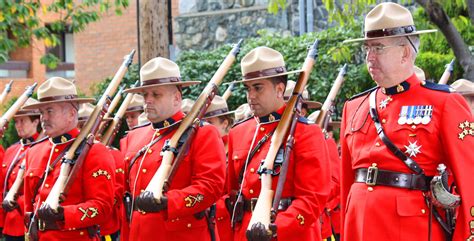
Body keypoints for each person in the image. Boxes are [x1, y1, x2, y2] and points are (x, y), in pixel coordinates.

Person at [340, 3, 474, 241]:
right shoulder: (354, 107)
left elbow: (469, 181)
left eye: (378, 48)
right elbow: (347, 184)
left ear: (404, 51)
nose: (369, 57)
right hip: (358, 226)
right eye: (367, 48)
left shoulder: (444, 103)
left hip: (411, 230)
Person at [227, 46, 331, 241]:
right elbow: (231, 192)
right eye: (247, 88)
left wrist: (275, 230)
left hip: (288, 234)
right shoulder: (238, 133)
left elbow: (313, 198)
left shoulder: (306, 132)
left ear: (279, 89)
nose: (251, 96)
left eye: (258, 87)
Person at [120, 57, 226, 241]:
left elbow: (211, 187)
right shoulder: (133, 137)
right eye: (145, 94)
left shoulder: (202, 133)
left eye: (156, 94)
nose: (148, 100)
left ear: (176, 97)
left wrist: (169, 202)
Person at [22, 77, 116, 241]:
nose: (43, 118)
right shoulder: (34, 152)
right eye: (42, 112)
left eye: (50, 111)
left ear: (72, 113)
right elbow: (28, 208)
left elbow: (102, 208)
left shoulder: (94, 151)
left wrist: (64, 214)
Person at [1, 98, 42, 241]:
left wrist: (17, 202)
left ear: (36, 122)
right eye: (16, 121)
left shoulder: (43, 149)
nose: (18, 125)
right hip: (9, 223)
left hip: (29, 222)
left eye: (22, 121)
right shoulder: (12, 150)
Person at [202, 95, 235, 241]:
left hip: (229, 220)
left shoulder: (236, 145)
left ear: (225, 123)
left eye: (210, 122)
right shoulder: (202, 148)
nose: (206, 126)